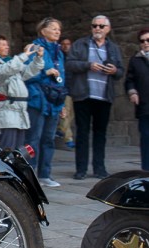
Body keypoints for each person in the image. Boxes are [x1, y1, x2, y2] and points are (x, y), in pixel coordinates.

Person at [66, 15, 125, 179]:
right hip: (83, 96)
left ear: (108, 29)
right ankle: (81, 170)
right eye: (94, 25)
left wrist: (114, 71)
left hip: (104, 97)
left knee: (100, 134)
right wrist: (88, 65)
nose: (97, 29)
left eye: (101, 26)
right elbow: (69, 64)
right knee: (82, 133)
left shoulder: (113, 48)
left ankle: (99, 168)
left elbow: (121, 71)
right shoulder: (80, 44)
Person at [25, 17, 67, 188]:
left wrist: (62, 103)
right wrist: (45, 73)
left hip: (54, 101)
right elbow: (26, 74)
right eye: (54, 28)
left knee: (49, 139)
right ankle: (29, 175)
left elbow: (61, 79)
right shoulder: (34, 48)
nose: (58, 31)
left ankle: (45, 175)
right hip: (37, 99)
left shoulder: (59, 51)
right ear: (43, 31)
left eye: (59, 29)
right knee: (33, 139)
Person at [0, 34, 44, 150]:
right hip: (5, 113)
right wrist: (24, 55)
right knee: (6, 150)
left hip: (18, 112)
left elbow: (29, 71)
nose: (7, 47)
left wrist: (38, 58)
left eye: (7, 44)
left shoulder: (11, 64)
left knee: (18, 151)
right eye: (3, 45)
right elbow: (6, 70)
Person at [125, 28, 149, 171]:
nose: (145, 43)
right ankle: (146, 170)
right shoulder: (135, 60)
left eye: (148, 40)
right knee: (146, 138)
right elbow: (129, 80)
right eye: (142, 41)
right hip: (144, 106)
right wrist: (132, 93)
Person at [56, 37, 75, 149]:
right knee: (65, 113)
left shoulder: (73, 57)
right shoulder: (59, 58)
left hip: (73, 89)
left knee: (71, 115)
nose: (65, 46)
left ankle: (60, 129)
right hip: (64, 89)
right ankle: (68, 138)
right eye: (63, 44)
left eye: (68, 44)